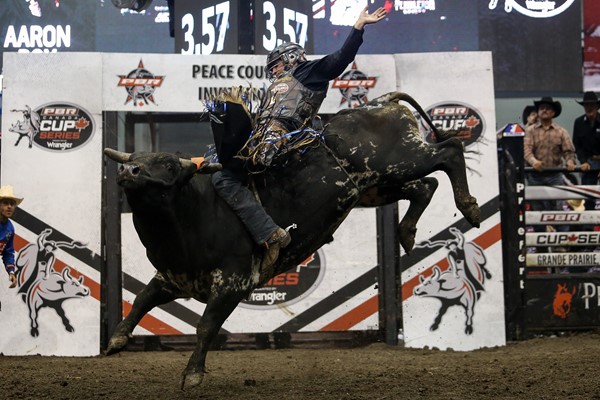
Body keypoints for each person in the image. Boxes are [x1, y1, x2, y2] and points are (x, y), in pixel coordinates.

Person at [211, 6, 386, 270]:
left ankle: (272, 233)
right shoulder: (275, 89)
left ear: (291, 58)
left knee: (241, 169)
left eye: (277, 64)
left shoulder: (307, 72)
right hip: (263, 134)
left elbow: (339, 59)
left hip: (284, 136)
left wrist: (358, 27)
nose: (274, 71)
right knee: (218, 167)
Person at [524, 96, 577, 235]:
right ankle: (540, 244)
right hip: (535, 176)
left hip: (555, 175)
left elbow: (569, 151)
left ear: (553, 113)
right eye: (542, 108)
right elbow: (526, 150)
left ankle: (562, 244)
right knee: (537, 212)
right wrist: (534, 162)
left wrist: (570, 161)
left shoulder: (561, 131)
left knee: (559, 209)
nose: (544, 110)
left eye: (547, 108)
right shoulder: (530, 131)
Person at [573, 91, 600, 211]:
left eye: (592, 105)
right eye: (586, 105)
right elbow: (577, 145)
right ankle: (588, 227)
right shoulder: (578, 123)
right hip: (588, 163)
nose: (589, 108)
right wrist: (583, 161)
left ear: (597, 106)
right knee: (588, 196)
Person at [0, 185, 24, 289]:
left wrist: (11, 272)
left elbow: (8, 252)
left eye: (12, 204)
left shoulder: (10, 229)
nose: (9, 206)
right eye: (5, 203)